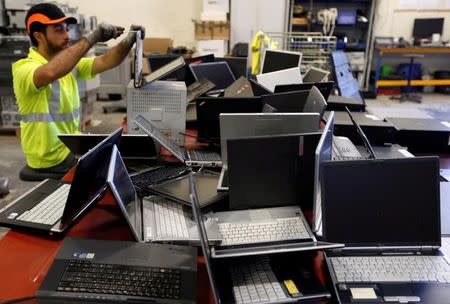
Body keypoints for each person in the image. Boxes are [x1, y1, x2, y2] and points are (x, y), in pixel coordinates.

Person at [12, 3, 144, 179]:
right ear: (39, 36)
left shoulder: (69, 65)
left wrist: (129, 41)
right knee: (112, 177)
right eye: (59, 30)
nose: (67, 36)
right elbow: (50, 72)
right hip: (51, 159)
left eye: (67, 29)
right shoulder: (25, 68)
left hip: (70, 147)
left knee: (124, 160)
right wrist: (91, 38)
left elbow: (107, 60)